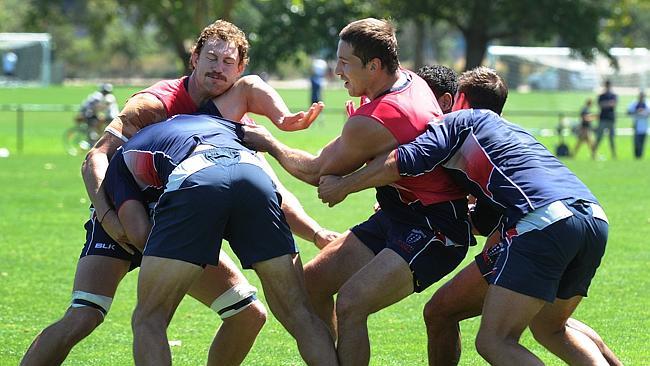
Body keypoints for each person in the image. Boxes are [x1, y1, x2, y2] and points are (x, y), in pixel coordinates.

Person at [21, 20, 337, 366]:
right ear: (194, 59)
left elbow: (269, 186)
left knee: (248, 315)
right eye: (211, 58)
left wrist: (316, 232)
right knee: (84, 315)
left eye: (227, 62)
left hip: (181, 218)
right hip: (121, 211)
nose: (218, 69)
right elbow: (95, 157)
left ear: (240, 69)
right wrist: (110, 218)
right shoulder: (154, 103)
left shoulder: (231, 114)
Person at [320, 66, 621, 366]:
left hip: (540, 224)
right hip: (592, 218)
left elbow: (408, 158)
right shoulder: (507, 133)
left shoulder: (459, 121)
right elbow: (486, 220)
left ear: (457, 100)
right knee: (546, 327)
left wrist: (345, 184)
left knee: (495, 341)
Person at [244, 18, 475, 365]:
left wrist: (270, 144)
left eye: (344, 62)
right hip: (398, 213)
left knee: (351, 304)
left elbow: (317, 171)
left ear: (375, 65)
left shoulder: (377, 119)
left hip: (435, 228)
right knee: (312, 285)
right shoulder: (407, 79)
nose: (337, 71)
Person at [114, 114, 338, 365]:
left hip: (195, 181)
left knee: (149, 317)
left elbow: (138, 233)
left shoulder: (122, 155)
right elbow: (270, 173)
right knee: (299, 312)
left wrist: (184, 246)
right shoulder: (219, 121)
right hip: (254, 176)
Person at [593, 79, 618, 159]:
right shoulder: (601, 96)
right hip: (603, 119)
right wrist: (608, 103)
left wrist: (606, 104)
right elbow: (601, 105)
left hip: (610, 119)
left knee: (611, 138)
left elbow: (613, 104)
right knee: (599, 137)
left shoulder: (613, 95)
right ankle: (593, 153)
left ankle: (613, 155)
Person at [627, 91, 648, 159]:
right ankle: (636, 157)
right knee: (637, 143)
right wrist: (637, 111)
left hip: (644, 127)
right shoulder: (635, 104)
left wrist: (644, 112)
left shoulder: (647, 104)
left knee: (642, 143)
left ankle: (640, 157)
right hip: (636, 126)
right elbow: (629, 112)